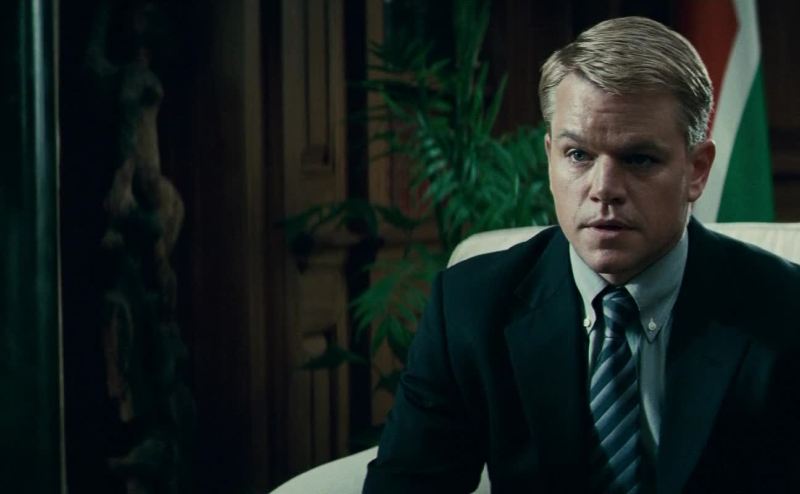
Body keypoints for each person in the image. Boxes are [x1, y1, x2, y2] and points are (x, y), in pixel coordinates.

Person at [362, 16, 800, 494]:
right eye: (578, 155)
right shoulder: (470, 306)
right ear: (550, 157)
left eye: (639, 159)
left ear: (696, 170)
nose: (604, 188)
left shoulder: (783, 306)